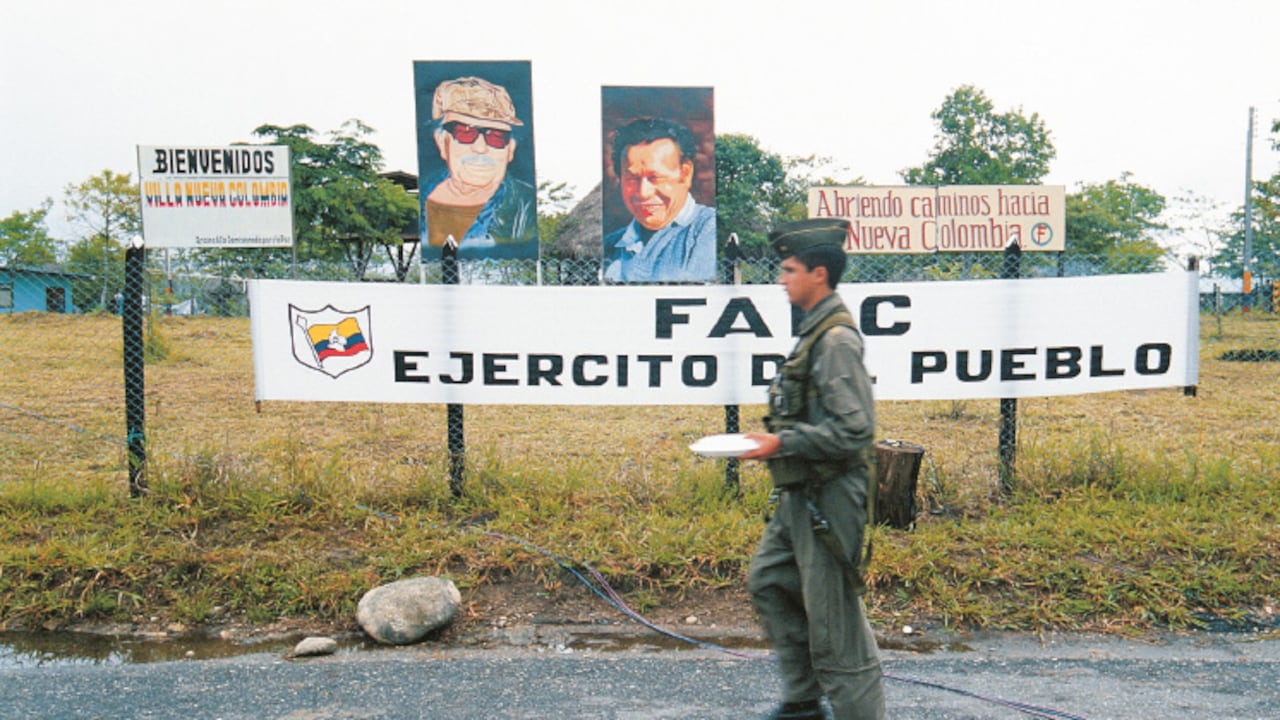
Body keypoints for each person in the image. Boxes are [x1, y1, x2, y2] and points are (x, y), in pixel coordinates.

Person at [739, 218, 886, 720]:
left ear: (818, 273)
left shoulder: (835, 340)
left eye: (789, 269)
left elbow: (855, 432)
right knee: (770, 581)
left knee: (836, 629)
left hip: (829, 496)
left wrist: (782, 441)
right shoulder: (813, 332)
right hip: (800, 495)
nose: (781, 279)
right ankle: (803, 703)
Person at [421, 76, 538, 257]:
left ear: (510, 150)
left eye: (496, 136)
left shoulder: (525, 209)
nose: (481, 148)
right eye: (465, 133)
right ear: (442, 143)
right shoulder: (420, 200)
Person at [603, 117, 716, 282]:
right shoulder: (610, 244)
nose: (643, 193)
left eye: (656, 178)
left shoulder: (709, 231)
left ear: (685, 174)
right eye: (632, 179)